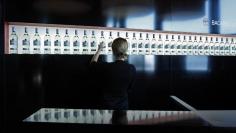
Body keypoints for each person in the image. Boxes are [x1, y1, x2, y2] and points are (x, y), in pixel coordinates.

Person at [90, 37, 136, 110]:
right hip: (123, 106)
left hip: (107, 106)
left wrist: (99, 49)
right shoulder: (131, 68)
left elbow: (92, 64)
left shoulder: (107, 67)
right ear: (126, 50)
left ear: (113, 51)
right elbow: (130, 88)